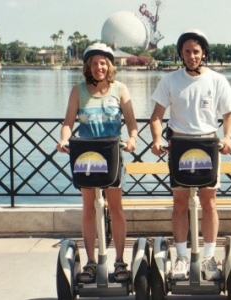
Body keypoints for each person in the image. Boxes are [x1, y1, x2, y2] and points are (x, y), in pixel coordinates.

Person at [150, 29, 231, 281]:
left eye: (196, 51)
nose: (191, 56)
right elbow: (156, 115)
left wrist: (228, 137)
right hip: (179, 145)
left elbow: (229, 115)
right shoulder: (170, 81)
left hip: (208, 145)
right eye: (187, 51)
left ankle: (209, 258)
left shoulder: (217, 80)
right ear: (181, 53)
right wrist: (157, 139)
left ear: (204, 53)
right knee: (179, 203)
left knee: (209, 202)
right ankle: (181, 257)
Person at [56, 43, 138, 283]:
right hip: (87, 157)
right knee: (89, 209)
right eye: (94, 63)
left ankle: (120, 260)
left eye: (103, 63)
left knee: (116, 208)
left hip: (112, 154)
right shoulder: (78, 91)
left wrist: (132, 139)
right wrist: (64, 139)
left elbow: (132, 125)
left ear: (109, 66)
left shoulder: (120, 89)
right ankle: (91, 262)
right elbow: (68, 123)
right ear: (88, 67)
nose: (98, 67)